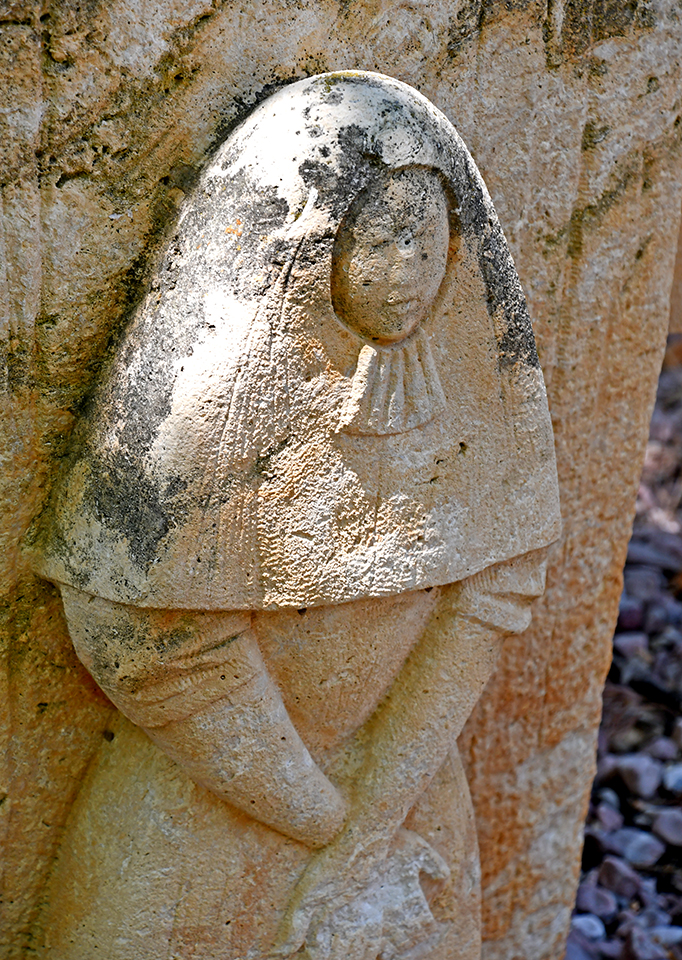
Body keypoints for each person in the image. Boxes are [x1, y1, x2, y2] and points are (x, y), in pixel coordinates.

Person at [32, 72, 560, 960]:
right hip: (209, 795)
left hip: (405, 779)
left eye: (426, 242)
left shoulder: (475, 403)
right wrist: (333, 829)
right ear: (314, 246)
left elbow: (498, 585)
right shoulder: (219, 408)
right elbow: (153, 639)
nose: (405, 272)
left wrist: (379, 814)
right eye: (380, 240)